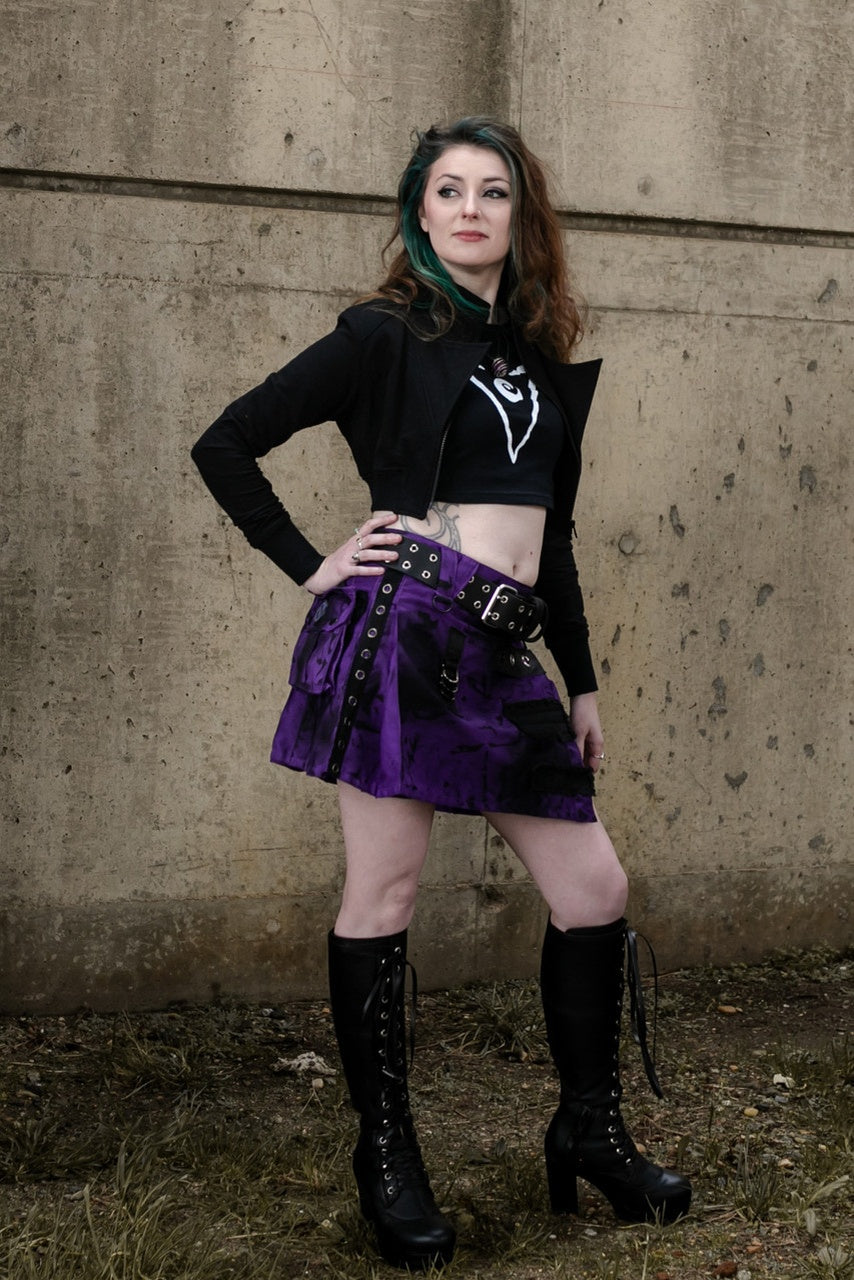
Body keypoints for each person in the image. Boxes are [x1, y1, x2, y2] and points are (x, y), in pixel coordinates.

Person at [191, 117, 691, 1271]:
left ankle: (587, 1128)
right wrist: (309, 558)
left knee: (594, 884)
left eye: (493, 192)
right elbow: (228, 441)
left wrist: (581, 678)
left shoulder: (536, 355)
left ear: (521, 215)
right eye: (448, 191)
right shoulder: (380, 335)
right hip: (402, 630)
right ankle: (386, 1156)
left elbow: (550, 535)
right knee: (385, 888)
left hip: (504, 652)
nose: (470, 209)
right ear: (420, 212)